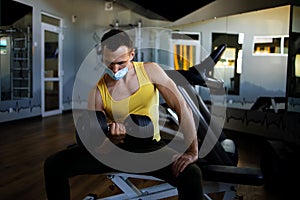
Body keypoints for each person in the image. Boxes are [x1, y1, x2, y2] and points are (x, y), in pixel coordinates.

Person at [44, 29, 203, 200]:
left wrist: (192, 150)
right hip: (114, 152)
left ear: (132, 54)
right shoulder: (98, 91)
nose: (115, 68)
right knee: (54, 164)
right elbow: (97, 143)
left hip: (148, 148)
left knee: (191, 174)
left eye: (121, 62)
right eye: (109, 63)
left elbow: (182, 108)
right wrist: (111, 140)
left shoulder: (150, 71)